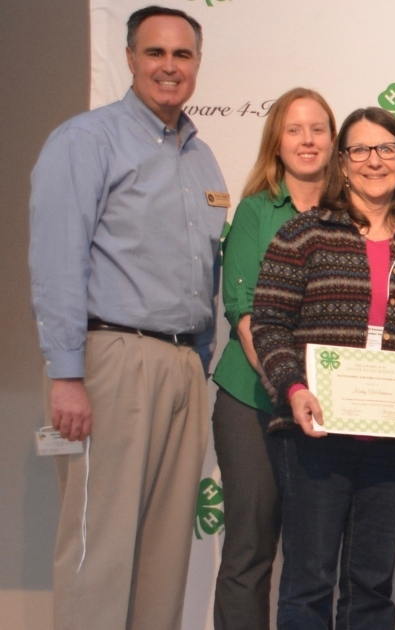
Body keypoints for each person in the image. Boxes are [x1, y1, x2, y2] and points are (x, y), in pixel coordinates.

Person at [28, 6, 225, 629]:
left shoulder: (203, 159)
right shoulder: (87, 139)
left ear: (197, 64)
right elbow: (58, 260)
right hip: (109, 360)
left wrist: (197, 364)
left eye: (183, 55)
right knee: (99, 551)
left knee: (164, 556)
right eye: (155, 53)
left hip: (184, 366)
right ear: (132, 58)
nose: (170, 67)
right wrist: (66, 375)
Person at [252, 107, 395, 629]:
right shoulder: (304, 234)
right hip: (315, 434)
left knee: (371, 585)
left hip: (391, 439)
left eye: (386, 148)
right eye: (359, 150)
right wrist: (293, 387)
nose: (373, 161)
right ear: (342, 162)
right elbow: (268, 321)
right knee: (309, 581)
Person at [210, 88, 336, 630]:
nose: (307, 141)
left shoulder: (352, 213)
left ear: (334, 140)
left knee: (314, 558)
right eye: (294, 130)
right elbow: (243, 315)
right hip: (253, 401)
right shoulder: (256, 212)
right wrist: (290, 386)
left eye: (318, 129)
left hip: (334, 405)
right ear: (276, 143)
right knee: (249, 549)